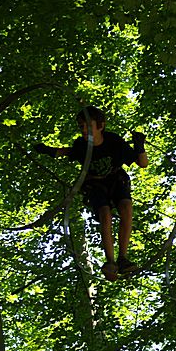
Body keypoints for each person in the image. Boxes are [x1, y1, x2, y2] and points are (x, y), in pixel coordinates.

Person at [34, 106, 148, 279]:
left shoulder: (113, 141)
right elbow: (67, 152)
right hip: (95, 185)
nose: (84, 130)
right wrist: (48, 150)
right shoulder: (81, 146)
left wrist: (139, 145)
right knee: (105, 215)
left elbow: (143, 163)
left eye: (88, 125)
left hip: (116, 179)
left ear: (100, 126)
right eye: (81, 126)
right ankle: (111, 262)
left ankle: (123, 258)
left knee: (126, 208)